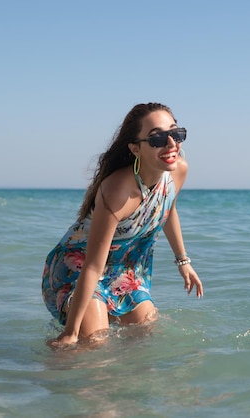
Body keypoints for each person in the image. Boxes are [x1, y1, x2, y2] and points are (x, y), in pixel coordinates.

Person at [42, 102, 203, 347]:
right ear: (135, 149)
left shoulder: (178, 170)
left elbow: (167, 209)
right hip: (79, 269)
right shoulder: (118, 190)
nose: (171, 144)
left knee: (146, 337)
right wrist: (71, 333)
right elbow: (93, 267)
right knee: (93, 346)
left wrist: (183, 261)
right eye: (157, 138)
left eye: (176, 133)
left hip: (124, 272)